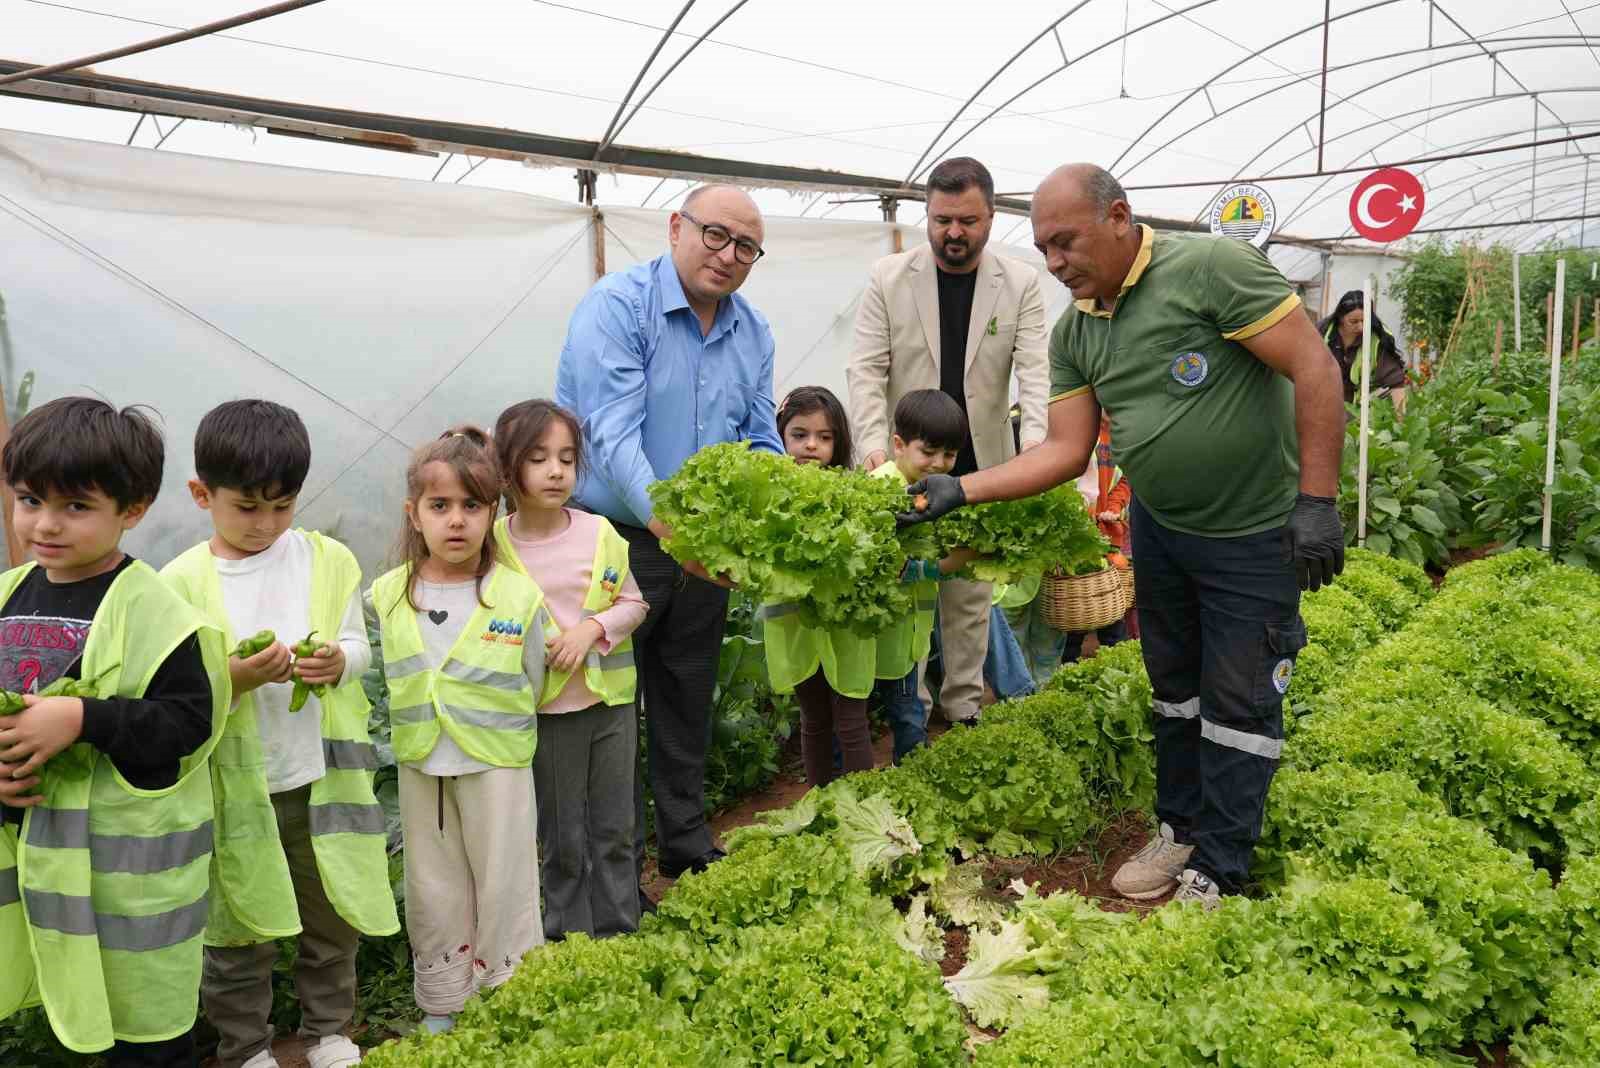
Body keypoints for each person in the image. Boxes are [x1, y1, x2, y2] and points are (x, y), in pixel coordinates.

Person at [901, 164, 1346, 909]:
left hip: (1250, 531)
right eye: (1042, 247)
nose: (1053, 262)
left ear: (1118, 217)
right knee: (1175, 689)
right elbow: (1064, 450)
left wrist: (1317, 501)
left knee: (1239, 697)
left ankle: (1224, 865)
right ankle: (1180, 827)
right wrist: (960, 488)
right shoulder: (1078, 330)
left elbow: (1315, 366)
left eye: (1065, 241)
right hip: (1163, 531)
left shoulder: (1211, 268)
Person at [555, 184, 783, 896]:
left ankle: (685, 846)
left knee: (688, 694)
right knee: (612, 715)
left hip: (703, 548)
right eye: (716, 235)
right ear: (676, 226)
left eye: (746, 246)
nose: (728, 255)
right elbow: (611, 436)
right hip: (618, 540)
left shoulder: (753, 332)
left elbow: (761, 438)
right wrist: (671, 530)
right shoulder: (619, 308)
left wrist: (768, 518)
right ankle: (613, 880)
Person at [163, 399, 399, 1068]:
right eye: (247, 507)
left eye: (282, 506)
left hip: (319, 780)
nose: (265, 524)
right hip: (234, 792)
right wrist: (231, 678)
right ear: (201, 493)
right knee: (237, 926)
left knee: (330, 913)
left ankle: (330, 1030)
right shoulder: (178, 582)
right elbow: (171, 695)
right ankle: (246, 1048)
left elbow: (360, 644)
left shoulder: (326, 561)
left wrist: (337, 662)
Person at [0, 397, 228, 1067]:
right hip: (39, 874)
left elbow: (188, 724)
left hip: (131, 891)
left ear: (132, 510)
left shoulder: (157, 609)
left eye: (75, 507)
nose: (45, 524)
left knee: (145, 1039)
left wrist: (83, 718)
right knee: (62, 1020)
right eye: (29, 499)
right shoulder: (9, 593)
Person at [847, 156, 1049, 727]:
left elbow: (1036, 375)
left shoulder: (1021, 283)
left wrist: (1034, 454)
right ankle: (912, 712)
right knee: (909, 599)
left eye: (967, 220)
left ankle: (963, 710)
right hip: (907, 467)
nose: (953, 232)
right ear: (926, 215)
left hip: (979, 467)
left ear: (990, 217)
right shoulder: (888, 277)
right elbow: (865, 371)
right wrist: (876, 457)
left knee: (969, 599)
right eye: (941, 220)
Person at [366, 427, 548, 1035]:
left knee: (506, 881)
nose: (456, 521)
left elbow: (536, 677)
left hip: (497, 762)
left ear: (494, 512)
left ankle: (510, 995)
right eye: (439, 506)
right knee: (433, 884)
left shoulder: (517, 596)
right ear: (412, 514)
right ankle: (443, 1003)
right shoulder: (388, 594)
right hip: (424, 763)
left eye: (473, 505)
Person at [490, 400, 647, 942]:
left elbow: (634, 603)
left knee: (614, 828)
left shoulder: (599, 532)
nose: (557, 471)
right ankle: (567, 939)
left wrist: (592, 630)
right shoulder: (495, 546)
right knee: (561, 836)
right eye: (538, 459)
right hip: (546, 713)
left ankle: (619, 934)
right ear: (509, 470)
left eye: (566, 458)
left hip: (611, 707)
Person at [761, 386, 877, 787]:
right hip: (796, 627)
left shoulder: (855, 493)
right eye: (799, 435)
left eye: (824, 438)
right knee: (812, 719)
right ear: (779, 436)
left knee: (850, 719)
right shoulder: (767, 496)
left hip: (846, 627)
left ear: (838, 443)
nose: (811, 446)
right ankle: (820, 803)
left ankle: (863, 808)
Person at [872, 390, 980, 760]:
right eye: (928, 452)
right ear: (898, 445)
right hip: (888, 634)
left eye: (949, 455)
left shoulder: (933, 492)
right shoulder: (884, 489)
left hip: (911, 629)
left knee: (908, 706)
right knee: (907, 714)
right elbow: (887, 567)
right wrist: (949, 565)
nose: (939, 464)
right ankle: (911, 773)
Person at [1060, 415, 1134, 664]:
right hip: (1076, 543)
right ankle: (1067, 677)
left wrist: (1114, 507)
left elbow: (1126, 480)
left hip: (1107, 540)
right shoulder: (1080, 432)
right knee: (1074, 621)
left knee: (1112, 619)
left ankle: (1118, 673)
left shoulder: (1123, 436)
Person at [1319, 289, 1409, 416]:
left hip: (1355, 408)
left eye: (1364, 321)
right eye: (1354, 322)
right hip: (1321, 400)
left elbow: (1396, 380)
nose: (1361, 327)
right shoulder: (1322, 331)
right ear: (1340, 318)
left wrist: (1402, 422)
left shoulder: (1377, 338)